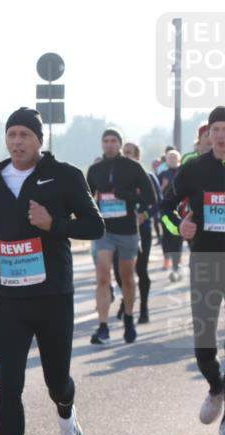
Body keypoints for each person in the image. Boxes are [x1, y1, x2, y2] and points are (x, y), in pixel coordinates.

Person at [0, 107, 104, 435]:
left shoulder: (64, 175)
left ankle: (67, 415)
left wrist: (55, 224)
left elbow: (95, 226)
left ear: (38, 140)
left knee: (55, 382)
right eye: (11, 134)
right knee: (8, 385)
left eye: (24, 135)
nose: (16, 142)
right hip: (10, 297)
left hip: (53, 296)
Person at [160, 106, 225, 435]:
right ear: (209, 133)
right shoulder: (194, 169)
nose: (221, 134)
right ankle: (217, 387)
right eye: (216, 128)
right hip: (205, 260)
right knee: (204, 345)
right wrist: (180, 226)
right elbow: (164, 208)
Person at [86, 129, 155, 344]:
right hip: (104, 230)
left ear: (119, 144)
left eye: (113, 141)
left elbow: (150, 196)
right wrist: (93, 209)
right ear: (101, 144)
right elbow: (86, 197)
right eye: (105, 141)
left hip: (127, 230)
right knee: (103, 276)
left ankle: (128, 319)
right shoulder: (95, 169)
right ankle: (103, 326)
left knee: (127, 277)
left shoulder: (132, 167)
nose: (109, 145)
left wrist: (126, 197)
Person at [115, 142, 159, 323]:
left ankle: (143, 309)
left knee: (140, 270)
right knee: (120, 273)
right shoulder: (116, 178)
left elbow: (158, 203)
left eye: (129, 153)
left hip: (142, 230)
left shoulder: (147, 176)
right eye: (124, 153)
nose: (126, 156)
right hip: (120, 230)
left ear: (137, 156)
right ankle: (126, 300)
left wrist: (145, 214)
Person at [158, 149, 185, 281]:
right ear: (166, 160)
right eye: (170, 158)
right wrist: (163, 186)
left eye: (174, 157)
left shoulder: (184, 171)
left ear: (178, 159)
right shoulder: (162, 174)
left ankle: (176, 265)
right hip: (166, 211)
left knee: (177, 238)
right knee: (167, 237)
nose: (172, 160)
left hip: (181, 211)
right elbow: (157, 193)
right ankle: (167, 258)